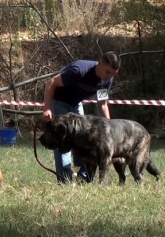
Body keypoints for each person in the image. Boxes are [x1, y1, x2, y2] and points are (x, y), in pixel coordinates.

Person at [42, 51, 121, 183]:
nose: (110, 76)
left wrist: (110, 126)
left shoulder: (107, 80)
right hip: (59, 101)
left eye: (113, 74)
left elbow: (102, 104)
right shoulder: (79, 70)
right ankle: (64, 180)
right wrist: (48, 109)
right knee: (63, 140)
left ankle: (83, 179)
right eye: (108, 72)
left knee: (83, 140)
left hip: (76, 104)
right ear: (100, 63)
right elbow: (51, 83)